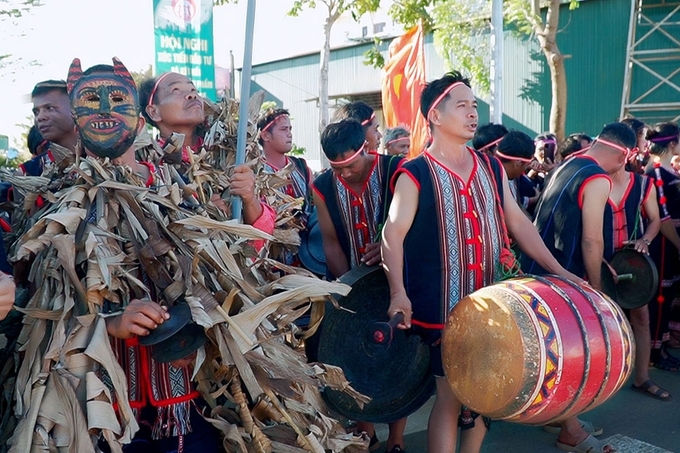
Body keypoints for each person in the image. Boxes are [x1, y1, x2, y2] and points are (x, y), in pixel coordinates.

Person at [381, 71, 583, 453]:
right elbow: (392, 234)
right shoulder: (416, 172)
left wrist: (560, 271)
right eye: (462, 106)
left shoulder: (490, 168)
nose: (473, 113)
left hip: (495, 303)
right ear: (435, 117)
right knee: (451, 395)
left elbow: (520, 224)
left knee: (486, 396)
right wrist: (398, 294)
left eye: (475, 106)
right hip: (444, 309)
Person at [522, 123, 637, 453]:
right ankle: (570, 430)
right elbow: (591, 239)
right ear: (622, 154)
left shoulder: (570, 163)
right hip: (563, 276)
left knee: (549, 352)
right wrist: (597, 291)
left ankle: (557, 416)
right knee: (573, 354)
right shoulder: (598, 177)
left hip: (536, 266)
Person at [313, 118, 406, 452]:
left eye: (350, 166)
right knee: (352, 357)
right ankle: (366, 432)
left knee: (402, 356)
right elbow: (331, 242)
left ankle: (397, 439)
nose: (344, 175)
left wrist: (388, 244)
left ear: (365, 149)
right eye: (336, 169)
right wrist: (346, 289)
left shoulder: (397, 169)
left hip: (398, 281)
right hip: (351, 281)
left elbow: (414, 222)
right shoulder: (323, 185)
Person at [140, 71, 273, 228]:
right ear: (154, 112)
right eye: (176, 90)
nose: (192, 95)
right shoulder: (148, 165)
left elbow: (265, 232)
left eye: (193, 90)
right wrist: (203, 214)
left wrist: (249, 198)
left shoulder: (231, 151)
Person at [601, 129, 666, 400]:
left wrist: (645, 241)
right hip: (600, 261)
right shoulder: (594, 181)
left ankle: (642, 378)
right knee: (598, 322)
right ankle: (597, 386)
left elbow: (655, 220)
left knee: (641, 317)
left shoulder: (642, 184)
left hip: (631, 263)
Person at [257, 107, 316, 268]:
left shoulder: (302, 167)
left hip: (309, 260)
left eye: (290, 129)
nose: (289, 133)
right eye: (284, 129)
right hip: (272, 265)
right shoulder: (256, 172)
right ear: (265, 135)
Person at [643, 122, 680, 372]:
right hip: (664, 245)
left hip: (672, 244)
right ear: (671, 144)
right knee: (659, 298)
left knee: (667, 299)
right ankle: (654, 354)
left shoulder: (665, 170)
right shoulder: (655, 172)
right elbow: (663, 217)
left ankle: (662, 347)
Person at [17, 80, 78, 176]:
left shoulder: (103, 160)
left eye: (50, 108)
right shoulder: (28, 173)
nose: (40, 117)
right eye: (36, 112)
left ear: (75, 109)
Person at [495, 131, 540, 213]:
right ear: (517, 163)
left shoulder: (510, 178)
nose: (526, 168)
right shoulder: (492, 183)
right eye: (527, 164)